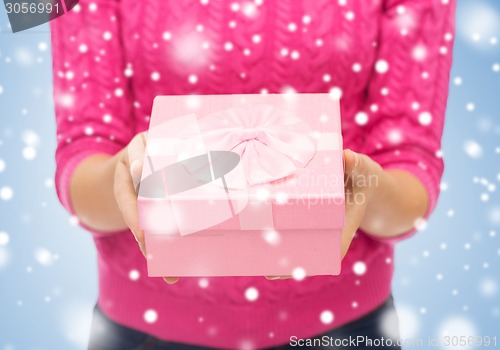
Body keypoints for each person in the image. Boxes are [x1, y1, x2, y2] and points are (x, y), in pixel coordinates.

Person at [49, 0, 455, 349]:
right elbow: (81, 155)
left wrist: (365, 185)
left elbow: (410, 166)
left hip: (347, 327)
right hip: (144, 330)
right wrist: (123, 178)